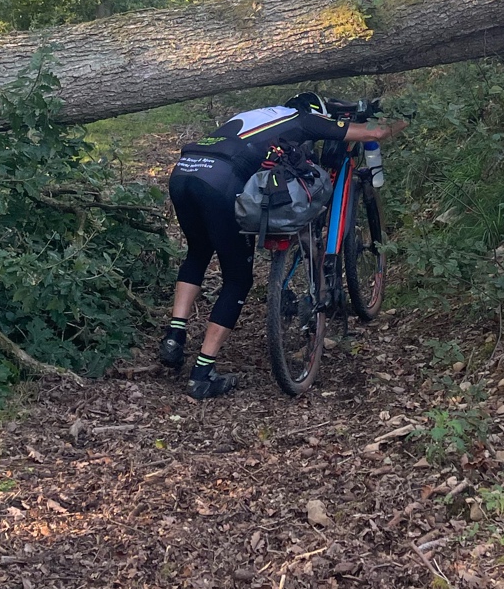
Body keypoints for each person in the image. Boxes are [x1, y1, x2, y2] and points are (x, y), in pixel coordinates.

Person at [160, 93, 407, 399]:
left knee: (198, 251)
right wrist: (408, 117)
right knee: (238, 278)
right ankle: (203, 373)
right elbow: (375, 132)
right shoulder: (304, 120)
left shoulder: (260, 114)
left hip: (185, 171)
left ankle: (174, 337)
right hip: (220, 182)